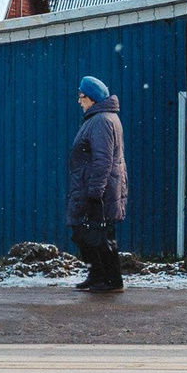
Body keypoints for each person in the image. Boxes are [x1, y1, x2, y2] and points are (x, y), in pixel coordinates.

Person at [68, 75, 127, 292]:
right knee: (89, 232)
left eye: (81, 96)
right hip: (93, 185)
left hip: (97, 188)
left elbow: (103, 160)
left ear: (92, 98)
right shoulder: (100, 119)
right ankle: (97, 275)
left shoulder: (101, 121)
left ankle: (111, 280)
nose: (79, 101)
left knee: (99, 233)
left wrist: (95, 192)